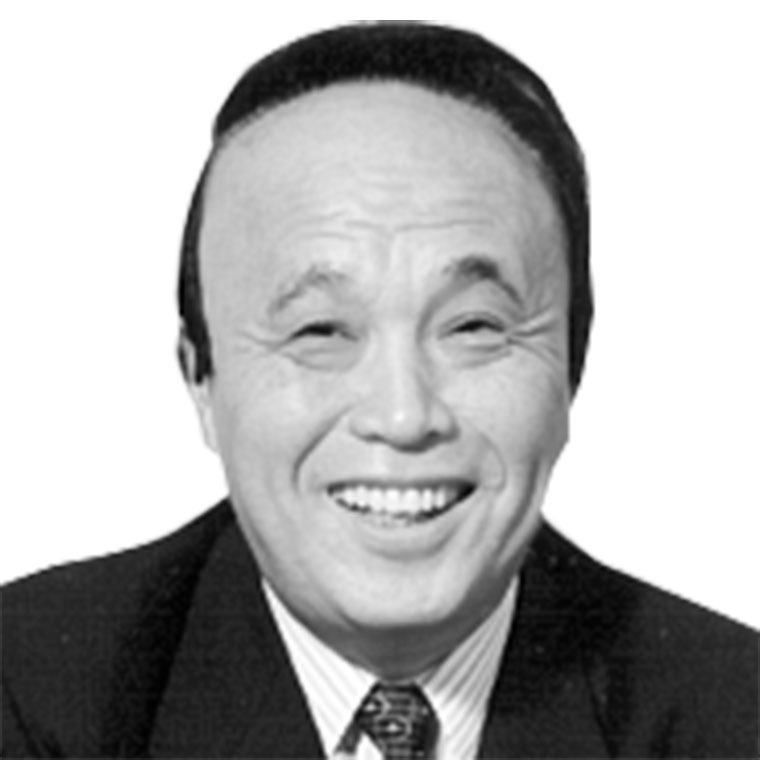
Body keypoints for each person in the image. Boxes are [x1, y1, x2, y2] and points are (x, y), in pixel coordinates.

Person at [1, 21, 756, 760]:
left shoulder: (734, 715)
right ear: (200, 378)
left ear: (570, 366)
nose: (403, 415)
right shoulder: (32, 698)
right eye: (321, 331)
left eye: (474, 327)